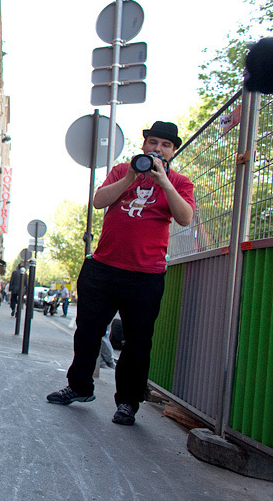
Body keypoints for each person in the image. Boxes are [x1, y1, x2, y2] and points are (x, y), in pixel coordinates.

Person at [47, 121, 194, 426]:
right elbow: (99, 201)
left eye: (165, 145)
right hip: (104, 267)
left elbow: (184, 218)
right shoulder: (120, 171)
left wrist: (164, 181)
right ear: (143, 146)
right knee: (87, 330)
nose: (158, 149)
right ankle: (79, 387)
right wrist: (130, 176)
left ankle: (127, 403)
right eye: (153, 142)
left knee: (138, 341)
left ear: (173, 151)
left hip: (146, 274)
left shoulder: (180, 183)